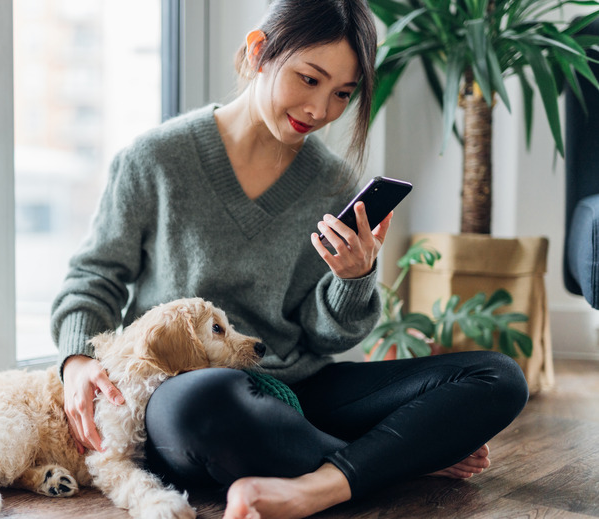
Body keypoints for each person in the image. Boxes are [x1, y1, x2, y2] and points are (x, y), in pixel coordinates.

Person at [50, 1, 529, 517]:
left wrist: (355, 278)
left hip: (298, 391)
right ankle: (390, 455)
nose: (320, 110)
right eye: (308, 78)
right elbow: (93, 279)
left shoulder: (333, 184)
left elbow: (325, 336)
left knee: (498, 377)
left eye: (342, 94)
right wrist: (78, 361)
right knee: (206, 403)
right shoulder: (154, 161)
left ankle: (317, 485)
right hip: (184, 394)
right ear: (259, 52)